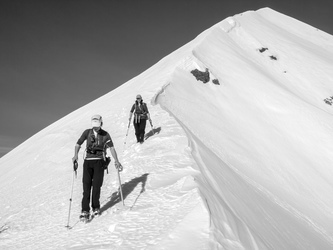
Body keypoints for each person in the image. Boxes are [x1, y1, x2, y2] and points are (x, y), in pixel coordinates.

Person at [72, 114, 122, 221]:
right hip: (88, 162)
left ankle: (96, 207)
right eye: (94, 126)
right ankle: (85, 210)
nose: (95, 128)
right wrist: (75, 155)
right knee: (86, 186)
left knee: (96, 186)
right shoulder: (87, 132)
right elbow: (78, 144)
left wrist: (116, 160)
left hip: (99, 162)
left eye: (97, 126)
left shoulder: (105, 135)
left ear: (101, 124)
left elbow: (112, 148)